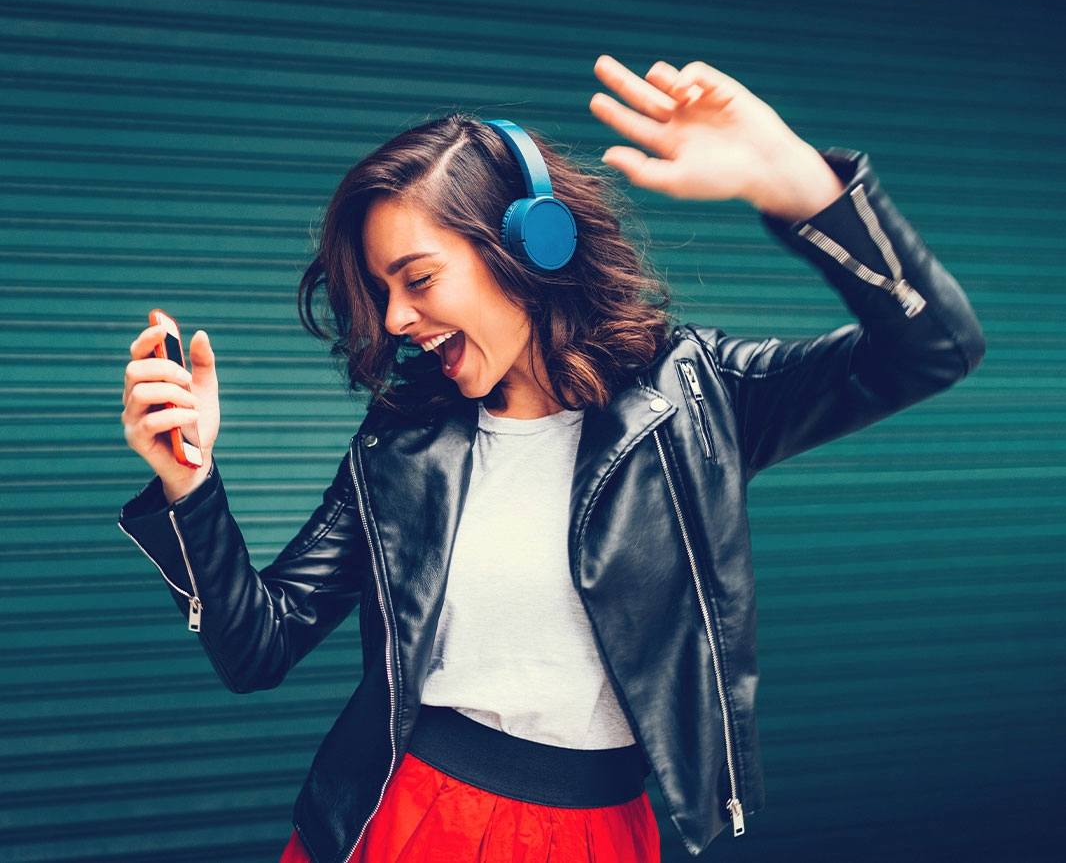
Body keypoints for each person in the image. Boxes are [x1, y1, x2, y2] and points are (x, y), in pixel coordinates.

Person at [117, 55, 985, 862]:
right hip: (408, 818)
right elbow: (257, 647)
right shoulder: (400, 441)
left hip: (604, 831)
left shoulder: (696, 398)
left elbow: (932, 348)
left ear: (531, 244)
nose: (393, 320)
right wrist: (189, 484)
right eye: (381, 292)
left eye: (417, 280)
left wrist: (800, 186)